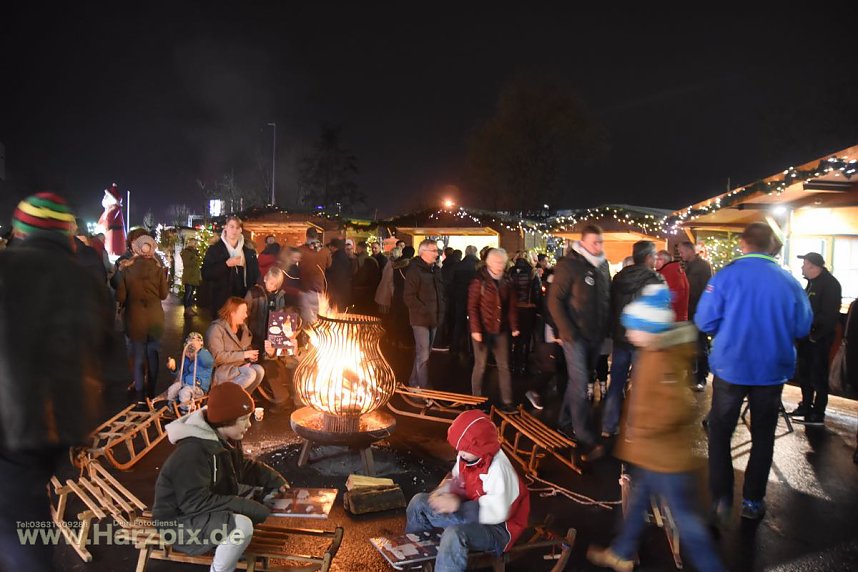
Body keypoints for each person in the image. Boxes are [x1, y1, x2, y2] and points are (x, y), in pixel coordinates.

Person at [0, 193, 118, 571]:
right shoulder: (83, 283)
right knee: (28, 534)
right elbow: (109, 363)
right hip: (42, 434)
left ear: (20, 231)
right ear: (66, 235)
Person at [587, 284, 724, 572]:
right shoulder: (652, 351)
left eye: (632, 328)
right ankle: (622, 552)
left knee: (687, 522)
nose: (627, 334)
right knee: (636, 503)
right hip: (651, 453)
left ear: (648, 328)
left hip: (665, 458)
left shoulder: (661, 358)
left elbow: (677, 406)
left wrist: (643, 430)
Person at [695, 222, 812, 521]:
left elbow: (704, 321)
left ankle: (721, 500)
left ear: (743, 244)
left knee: (721, 432)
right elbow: (802, 326)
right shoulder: (788, 281)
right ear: (769, 244)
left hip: (731, 367)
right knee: (763, 435)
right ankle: (753, 501)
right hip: (771, 369)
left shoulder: (725, 277)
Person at [152, 383, 290, 572]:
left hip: (194, 512)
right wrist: (246, 505)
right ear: (226, 420)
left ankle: (228, 548)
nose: (249, 424)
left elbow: (241, 467)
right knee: (241, 526)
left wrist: (273, 479)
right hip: (176, 522)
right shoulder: (192, 452)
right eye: (244, 419)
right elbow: (195, 502)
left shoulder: (223, 439)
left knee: (248, 512)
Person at [405, 410, 530, 572]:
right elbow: (458, 478)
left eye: (463, 448)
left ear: (480, 448)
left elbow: (498, 511)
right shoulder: (467, 456)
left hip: (497, 528)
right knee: (419, 502)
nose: (459, 452)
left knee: (455, 534)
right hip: (469, 513)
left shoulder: (499, 469)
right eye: (458, 448)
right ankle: (414, 560)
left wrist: (457, 505)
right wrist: (442, 491)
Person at [546, 226, 611, 461]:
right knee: (581, 383)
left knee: (577, 382)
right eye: (595, 242)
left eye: (600, 242)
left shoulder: (603, 266)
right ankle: (584, 436)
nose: (599, 247)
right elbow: (554, 300)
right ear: (582, 243)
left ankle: (563, 420)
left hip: (595, 335)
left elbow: (605, 299)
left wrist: (606, 328)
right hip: (575, 336)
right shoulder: (569, 265)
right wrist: (567, 330)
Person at [603, 241, 663, 438]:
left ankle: (608, 425)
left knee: (617, 382)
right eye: (654, 256)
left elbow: (610, 306)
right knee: (639, 385)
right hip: (643, 341)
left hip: (621, 338)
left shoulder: (620, 277)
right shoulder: (655, 279)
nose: (656, 260)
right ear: (648, 258)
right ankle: (633, 429)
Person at [790, 252, 842, 425]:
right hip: (806, 338)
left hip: (819, 339)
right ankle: (806, 405)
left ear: (813, 266)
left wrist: (814, 335)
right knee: (804, 373)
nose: (802, 267)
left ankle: (818, 412)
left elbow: (829, 316)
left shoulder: (830, 285)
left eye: (804, 264)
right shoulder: (811, 284)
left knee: (818, 374)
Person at [117, 234, 170, 402]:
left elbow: (120, 296)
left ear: (137, 249)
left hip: (135, 318)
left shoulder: (127, 269)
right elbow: (163, 295)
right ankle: (151, 394)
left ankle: (140, 396)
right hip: (155, 319)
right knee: (152, 354)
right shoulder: (158, 268)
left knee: (139, 356)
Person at [468, 249, 520, 411]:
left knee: (504, 365)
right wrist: (476, 329)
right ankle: (476, 399)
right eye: (497, 262)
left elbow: (511, 306)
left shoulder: (507, 280)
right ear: (489, 263)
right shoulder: (479, 280)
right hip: (483, 329)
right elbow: (472, 307)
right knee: (481, 365)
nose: (500, 266)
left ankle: (507, 401)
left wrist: (514, 326)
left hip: (501, 329)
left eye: (502, 263)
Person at [245, 267, 296, 409]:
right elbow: (245, 313)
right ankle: (258, 395)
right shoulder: (254, 293)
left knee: (271, 365)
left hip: (271, 337)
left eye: (276, 285)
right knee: (256, 363)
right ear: (266, 278)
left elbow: (283, 316)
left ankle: (277, 397)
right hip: (255, 334)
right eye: (271, 283)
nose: (273, 287)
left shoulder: (280, 295)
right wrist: (246, 335)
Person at [207, 297, 274, 393]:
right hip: (223, 371)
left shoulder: (243, 329)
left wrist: (250, 356)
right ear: (232, 313)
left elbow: (246, 348)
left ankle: (242, 398)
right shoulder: (216, 329)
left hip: (239, 367)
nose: (246, 315)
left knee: (259, 370)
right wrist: (244, 355)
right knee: (250, 374)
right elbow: (217, 357)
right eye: (243, 312)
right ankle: (223, 397)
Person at [404, 239, 445, 388]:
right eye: (434, 251)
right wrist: (424, 310)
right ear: (423, 252)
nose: (437, 254)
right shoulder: (415, 271)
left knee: (424, 353)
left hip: (433, 318)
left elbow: (440, 293)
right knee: (424, 355)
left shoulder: (435, 270)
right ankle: (424, 388)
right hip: (420, 319)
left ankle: (414, 382)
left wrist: (440, 310)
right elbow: (409, 296)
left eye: (437, 251)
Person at [202, 215, 260, 318]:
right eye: (231, 226)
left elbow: (255, 274)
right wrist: (226, 265)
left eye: (237, 228)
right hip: (222, 301)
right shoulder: (215, 249)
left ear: (241, 230)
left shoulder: (248, 251)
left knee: (240, 330)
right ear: (226, 228)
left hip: (242, 301)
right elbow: (206, 273)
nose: (234, 230)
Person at [679, 240, 713, 391]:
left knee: (700, 345)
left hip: (698, 312)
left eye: (682, 252)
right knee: (690, 345)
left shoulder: (703, 266)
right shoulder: (688, 266)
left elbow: (706, 290)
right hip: (689, 312)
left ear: (690, 251)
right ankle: (691, 374)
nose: (680, 255)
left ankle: (701, 377)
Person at [508, 251, 542, 375]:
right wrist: (539, 308)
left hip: (513, 308)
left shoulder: (510, 271)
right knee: (526, 338)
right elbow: (537, 294)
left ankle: (512, 364)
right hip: (528, 309)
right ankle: (524, 365)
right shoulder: (533, 272)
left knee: (514, 338)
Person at [166, 332, 214, 414]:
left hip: (198, 387)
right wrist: (173, 368)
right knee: (172, 389)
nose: (189, 352)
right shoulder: (186, 359)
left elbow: (209, 362)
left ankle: (185, 411)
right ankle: (172, 409)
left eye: (192, 349)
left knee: (184, 393)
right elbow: (180, 374)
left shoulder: (204, 355)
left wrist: (198, 350)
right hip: (185, 384)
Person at [297, 227, 331, 324]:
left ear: (306, 236)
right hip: (319, 290)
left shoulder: (300, 250)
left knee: (305, 321)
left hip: (305, 289)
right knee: (319, 320)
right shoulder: (326, 251)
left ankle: (305, 338)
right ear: (317, 236)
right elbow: (329, 265)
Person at [451, 246, 480, 355]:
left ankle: (455, 346)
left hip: (460, 297)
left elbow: (453, 282)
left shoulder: (458, 265)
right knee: (474, 323)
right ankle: (473, 349)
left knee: (458, 322)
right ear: (475, 253)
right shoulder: (478, 266)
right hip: (474, 298)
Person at [655, 249, 689, 321]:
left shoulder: (668, 274)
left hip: (671, 319)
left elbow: (672, 297)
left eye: (657, 259)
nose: (655, 262)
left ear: (662, 260)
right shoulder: (677, 271)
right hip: (678, 317)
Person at [391, 246, 415, 347]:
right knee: (407, 318)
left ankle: (395, 339)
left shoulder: (396, 265)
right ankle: (405, 340)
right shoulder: (411, 265)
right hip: (408, 295)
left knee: (397, 317)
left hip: (397, 294)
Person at [353, 240, 381, 314]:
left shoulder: (357, 260)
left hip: (360, 290)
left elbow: (354, 273)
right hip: (372, 290)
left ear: (361, 248)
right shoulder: (374, 260)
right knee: (369, 311)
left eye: (357, 248)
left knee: (360, 311)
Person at [326, 238, 353, 311]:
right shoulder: (344, 257)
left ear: (334, 247)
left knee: (336, 311)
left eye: (330, 246)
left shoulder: (336, 258)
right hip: (344, 290)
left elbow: (332, 274)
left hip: (337, 291)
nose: (329, 248)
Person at [181, 238, 202, 316]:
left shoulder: (194, 253)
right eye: (195, 243)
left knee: (191, 294)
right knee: (188, 293)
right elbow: (186, 263)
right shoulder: (186, 252)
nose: (196, 245)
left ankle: (189, 308)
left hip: (193, 276)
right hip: (189, 276)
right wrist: (195, 259)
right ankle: (186, 309)